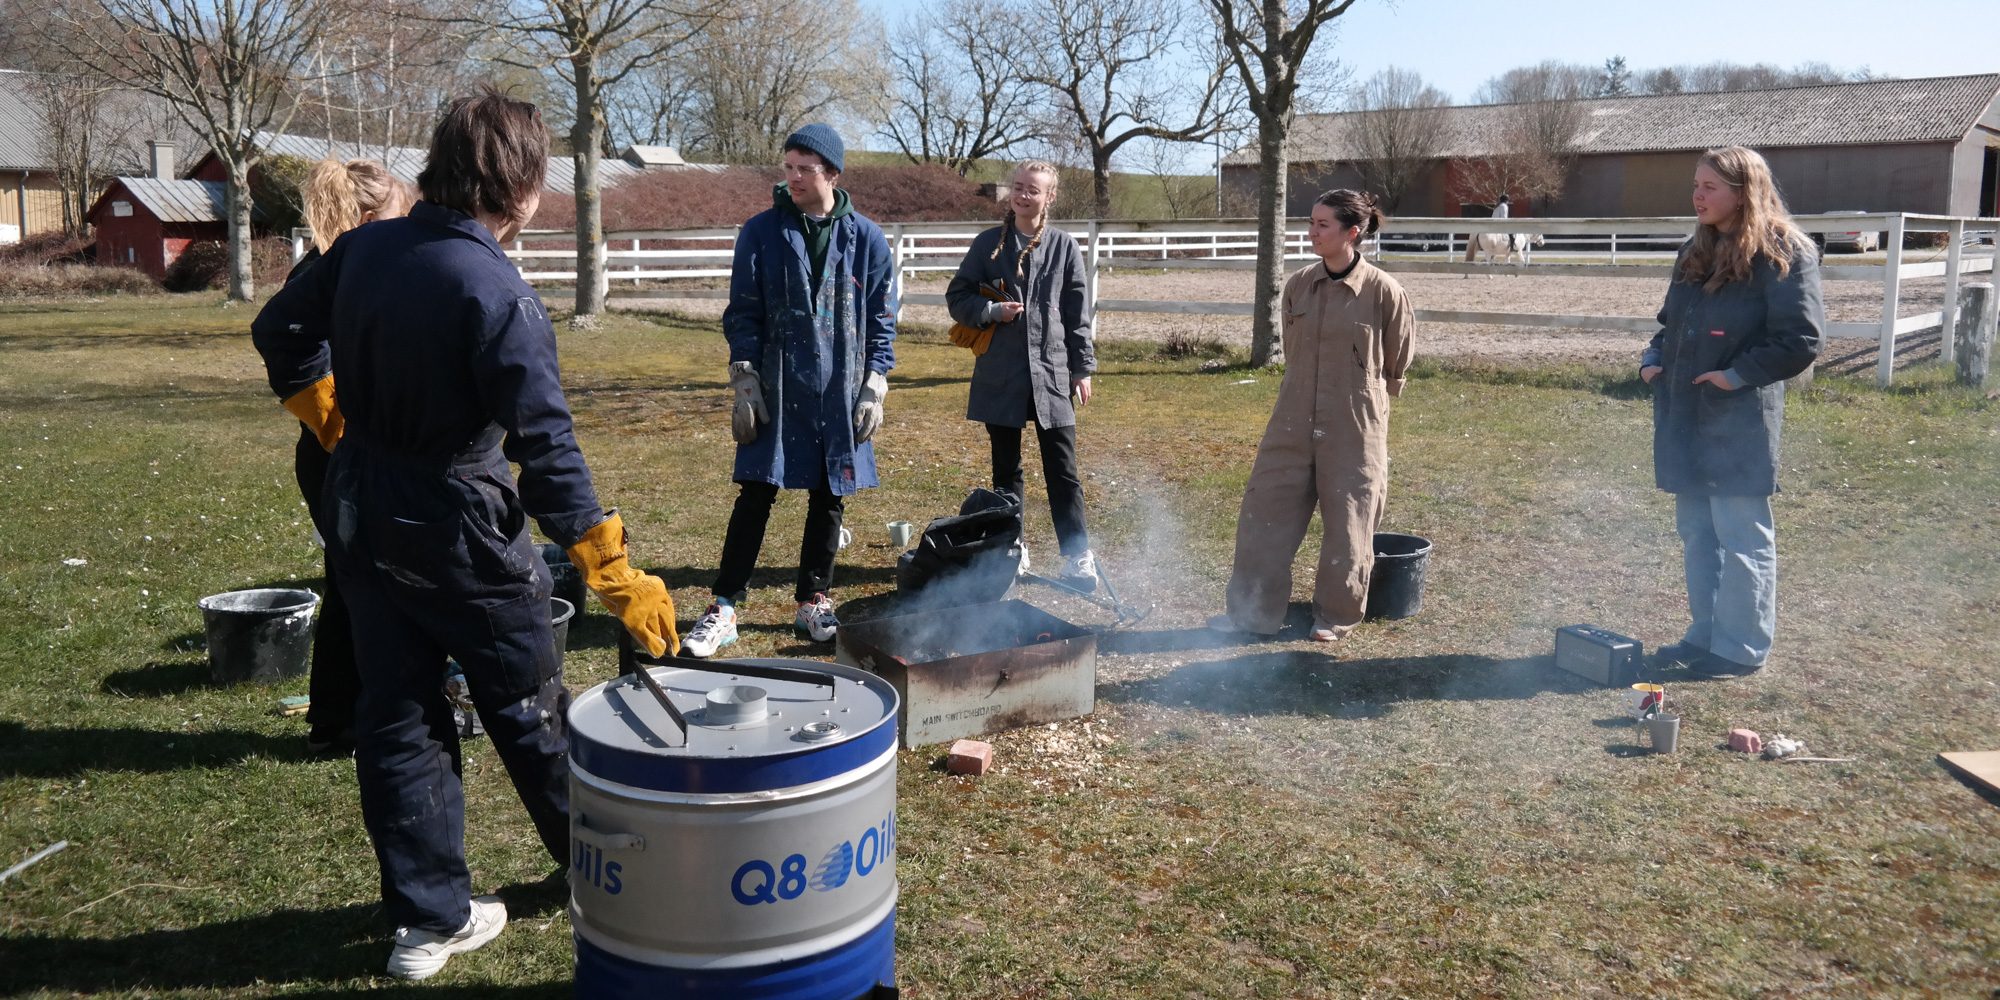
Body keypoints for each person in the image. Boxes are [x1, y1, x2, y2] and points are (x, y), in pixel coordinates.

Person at [251, 88, 678, 980]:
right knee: (527, 706)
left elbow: (279, 326)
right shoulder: (496, 288)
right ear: (519, 189)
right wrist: (617, 573)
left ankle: (426, 921)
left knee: (397, 713)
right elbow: (547, 451)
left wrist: (329, 415)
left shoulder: (364, 249)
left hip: (362, 512)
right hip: (456, 526)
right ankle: (612, 884)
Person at [680, 124, 897, 658]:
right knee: (757, 491)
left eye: (805, 167)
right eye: (788, 166)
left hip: (840, 386)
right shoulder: (762, 232)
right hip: (777, 383)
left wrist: (875, 381)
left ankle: (813, 600)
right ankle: (725, 606)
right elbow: (743, 310)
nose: (793, 176)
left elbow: (881, 316)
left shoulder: (865, 237)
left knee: (830, 497)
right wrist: (745, 378)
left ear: (832, 174)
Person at [1641, 145, 1821, 678]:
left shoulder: (1785, 253)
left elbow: (1800, 339)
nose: (1697, 196)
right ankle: (1705, 636)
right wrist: (1652, 359)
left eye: (1709, 187)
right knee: (1698, 532)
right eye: (1695, 186)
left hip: (1737, 422)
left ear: (1745, 193)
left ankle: (1739, 648)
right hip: (1682, 416)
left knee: (1741, 538)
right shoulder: (1694, 250)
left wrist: (1732, 378)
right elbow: (1669, 324)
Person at [1211, 189, 1416, 642]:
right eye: (1311, 222)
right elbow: (1292, 346)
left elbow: (1397, 360)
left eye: (1323, 225)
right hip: (1292, 414)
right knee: (1266, 509)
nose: (1313, 232)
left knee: (1350, 521)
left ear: (1352, 233)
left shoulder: (1385, 292)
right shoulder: (1298, 284)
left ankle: (1335, 614)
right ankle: (1253, 613)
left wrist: (1369, 404)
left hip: (1355, 421)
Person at [286, 157, 413, 755]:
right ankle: (345, 719)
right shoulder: (333, 272)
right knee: (358, 584)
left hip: (351, 452)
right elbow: (289, 344)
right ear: (366, 217)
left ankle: (349, 714)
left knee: (356, 580)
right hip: (340, 455)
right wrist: (334, 423)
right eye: (397, 215)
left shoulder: (349, 266)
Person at [944, 160, 1099, 588]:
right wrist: (990, 311)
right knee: (1006, 471)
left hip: (1051, 373)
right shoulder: (987, 245)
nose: (1022, 195)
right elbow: (957, 296)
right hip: (1002, 374)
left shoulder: (1065, 247)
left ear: (1049, 197)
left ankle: (1076, 556)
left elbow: (1076, 314)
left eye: (1033, 189)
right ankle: (1013, 548)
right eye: (1018, 187)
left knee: (1063, 470)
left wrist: (1081, 367)